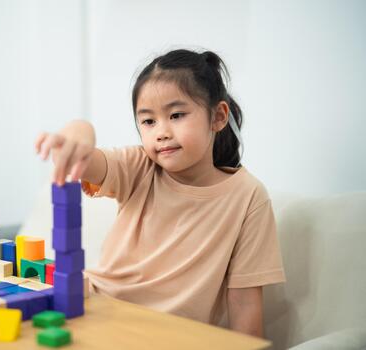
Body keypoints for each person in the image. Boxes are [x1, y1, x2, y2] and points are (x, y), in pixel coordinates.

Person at [35, 48, 286, 338]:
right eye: (148, 121)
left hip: (166, 337)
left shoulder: (249, 197)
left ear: (217, 117)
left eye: (177, 115)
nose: (161, 132)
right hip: (93, 311)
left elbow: (245, 306)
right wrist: (78, 133)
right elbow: (86, 160)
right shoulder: (139, 166)